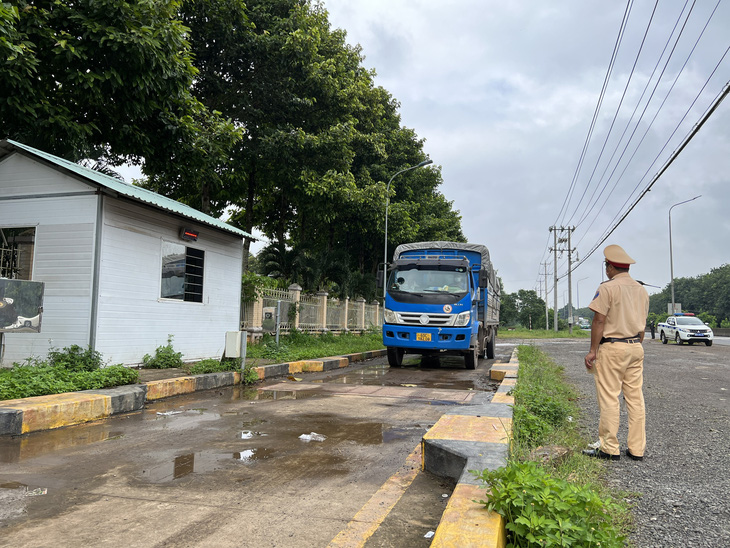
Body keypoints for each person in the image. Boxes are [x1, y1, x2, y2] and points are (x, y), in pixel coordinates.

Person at [583, 245, 649, 461]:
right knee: (635, 398)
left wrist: (593, 350)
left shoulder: (608, 288)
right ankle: (637, 449)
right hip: (635, 347)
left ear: (609, 267)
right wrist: (635, 344)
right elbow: (642, 325)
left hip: (612, 347)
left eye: (607, 266)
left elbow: (599, 320)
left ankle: (610, 447)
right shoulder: (641, 290)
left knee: (610, 397)